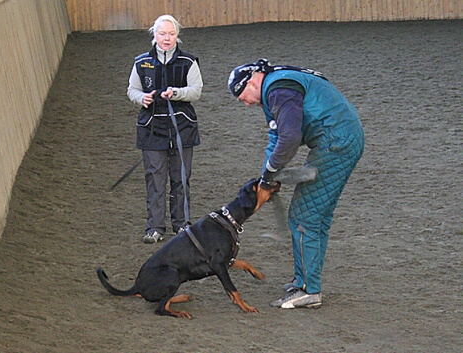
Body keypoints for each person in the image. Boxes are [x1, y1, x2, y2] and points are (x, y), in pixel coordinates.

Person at [228, 58, 364, 309]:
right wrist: (265, 179)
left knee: (305, 216)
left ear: (252, 81)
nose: (245, 102)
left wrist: (269, 174)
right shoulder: (275, 86)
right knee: (317, 217)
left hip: (336, 142)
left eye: (242, 96)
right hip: (343, 137)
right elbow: (276, 136)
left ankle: (309, 290)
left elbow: (290, 138)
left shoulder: (278, 91)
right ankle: (303, 281)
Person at [127, 15, 203, 244]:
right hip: (151, 129)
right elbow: (132, 90)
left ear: (177, 35)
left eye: (171, 34)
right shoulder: (141, 63)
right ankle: (155, 227)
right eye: (162, 34)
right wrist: (143, 98)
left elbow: (196, 90)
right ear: (154, 35)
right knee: (155, 179)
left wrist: (177, 93)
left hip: (182, 128)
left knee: (181, 178)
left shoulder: (188, 62)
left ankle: (182, 225)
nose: (166, 38)